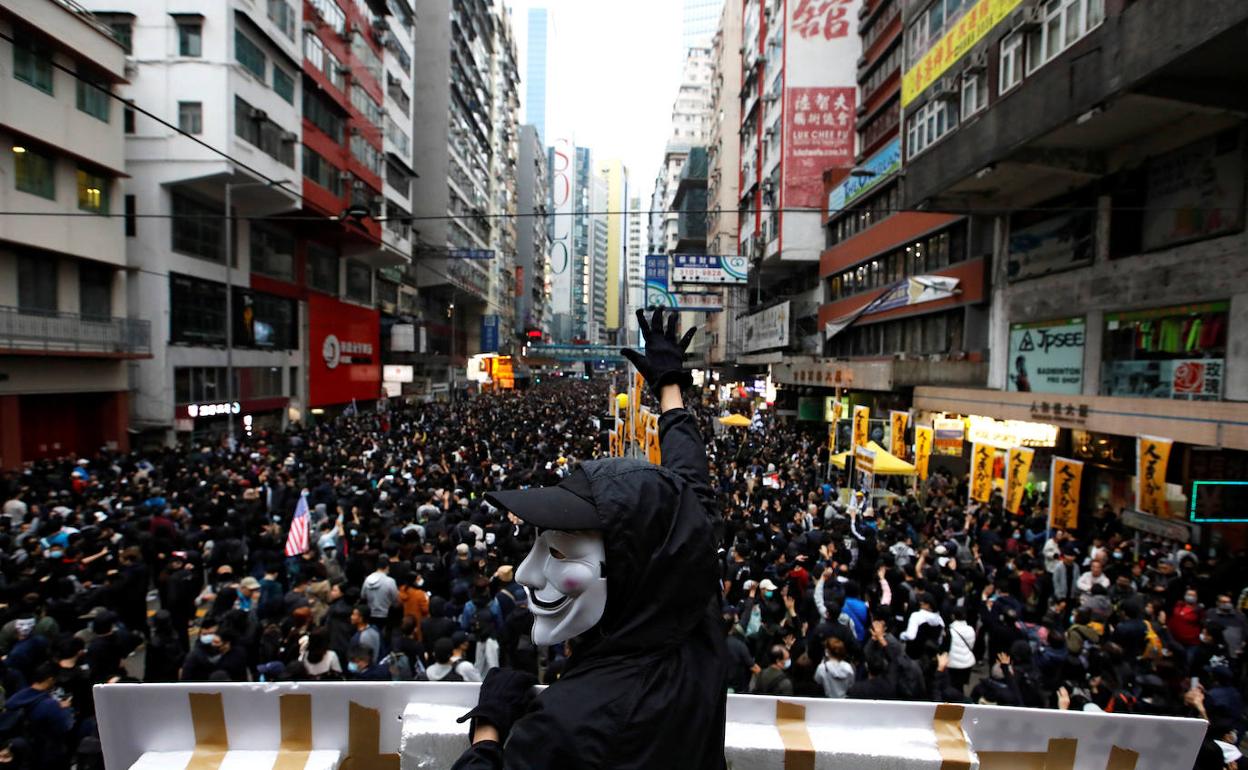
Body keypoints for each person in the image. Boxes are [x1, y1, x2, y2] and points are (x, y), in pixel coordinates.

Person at [450, 308, 726, 770]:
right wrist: (670, 392)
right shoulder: (692, 611)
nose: (525, 574)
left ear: (625, 571)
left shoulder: (568, 724)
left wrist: (487, 730)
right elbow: (689, 490)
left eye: (560, 553)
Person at [4, 662, 75, 770]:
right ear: (50, 680)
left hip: (19, 752)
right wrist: (65, 709)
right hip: (44, 756)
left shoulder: (19, 698)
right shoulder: (50, 705)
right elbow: (66, 726)